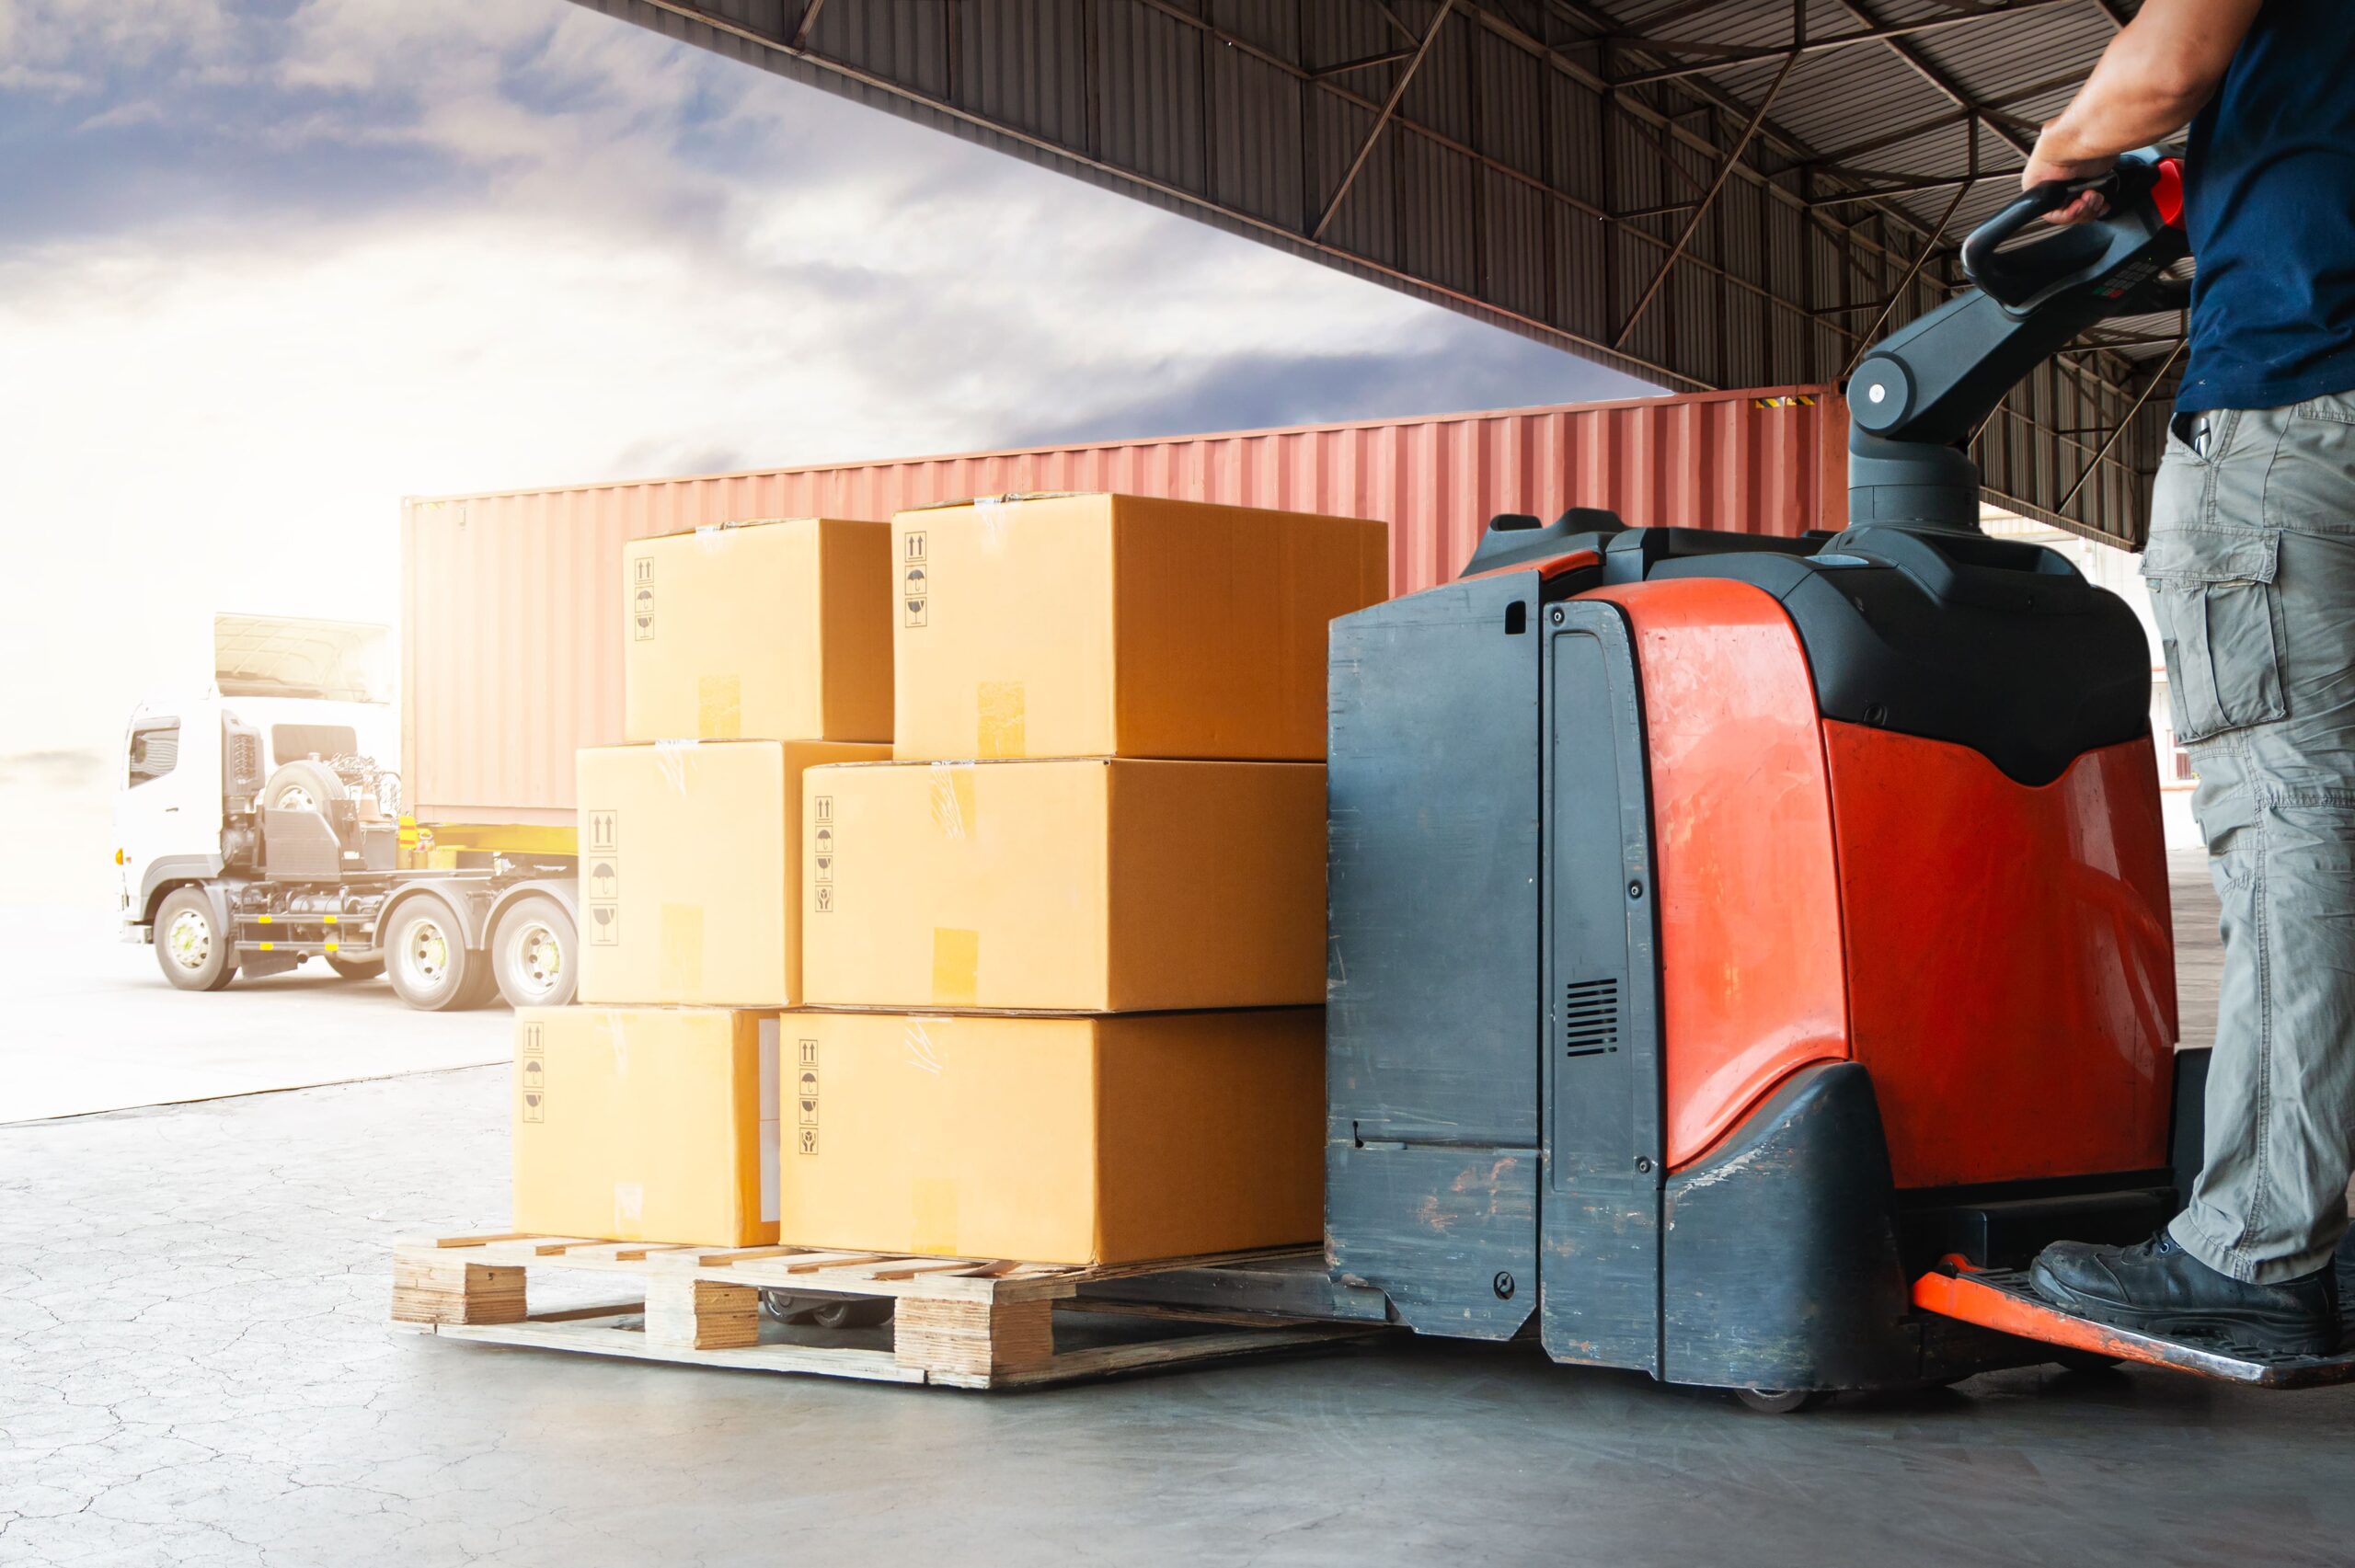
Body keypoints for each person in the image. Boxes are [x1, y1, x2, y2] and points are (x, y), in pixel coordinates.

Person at [2025, 0, 2355, 1356]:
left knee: (2295, 820)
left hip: (2294, 410)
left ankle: (2260, 1244)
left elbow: (2165, 62)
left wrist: (2057, 157)